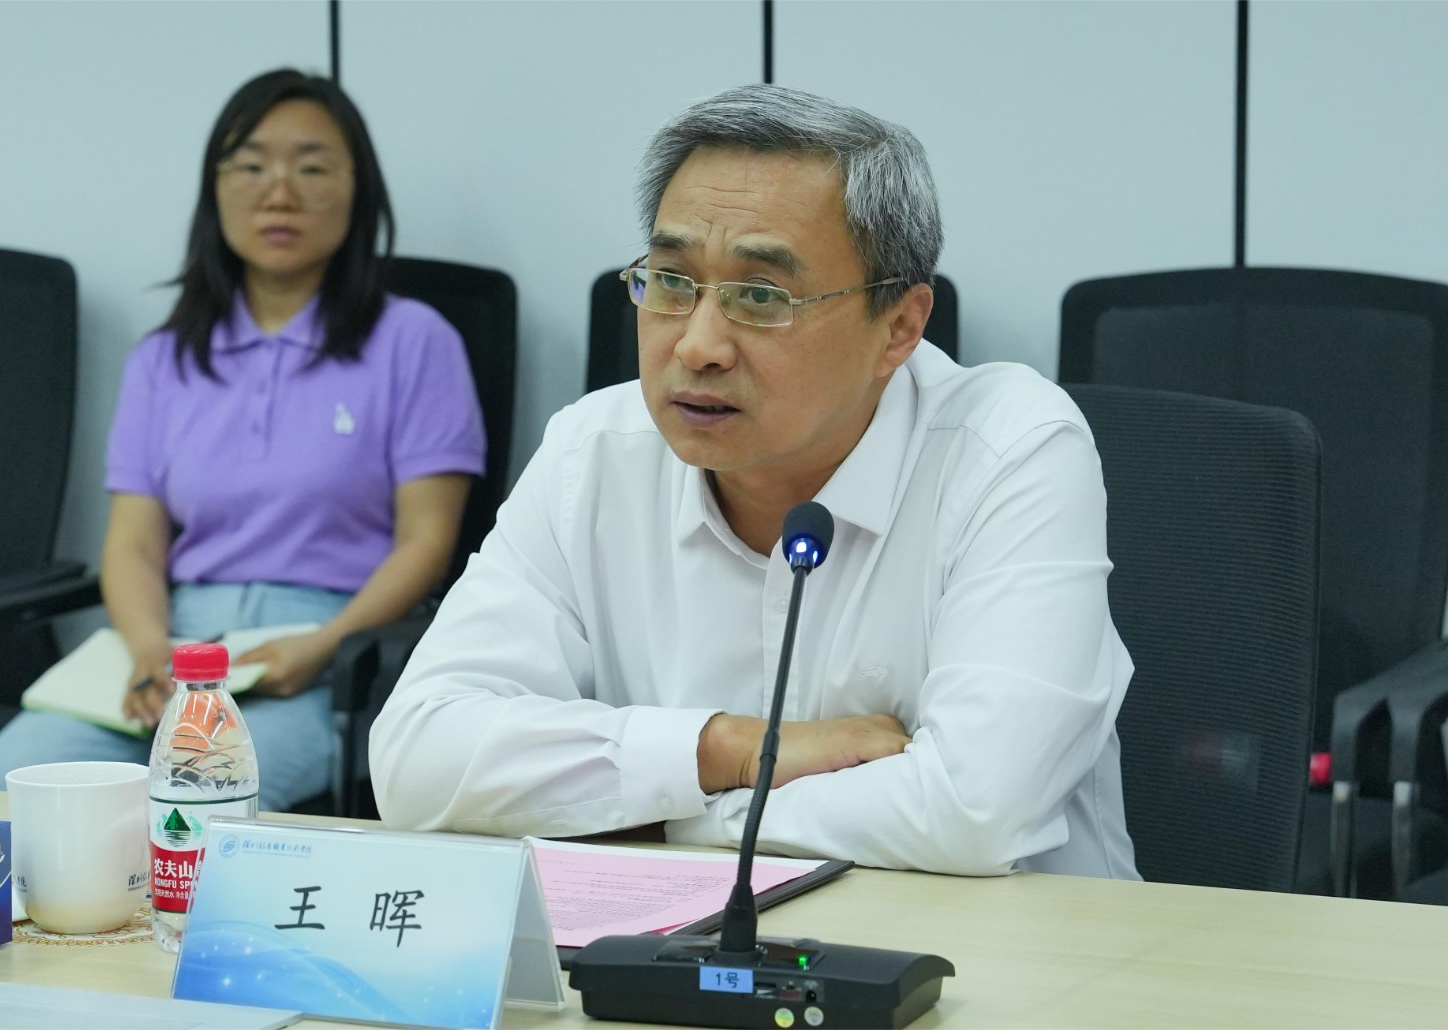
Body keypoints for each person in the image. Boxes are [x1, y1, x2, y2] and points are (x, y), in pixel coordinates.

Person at [370, 84, 1136, 878]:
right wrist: (726, 750)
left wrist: (657, 815)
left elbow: (974, 814)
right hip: (686, 943)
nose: (698, 346)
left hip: (997, 947)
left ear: (900, 327)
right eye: (671, 281)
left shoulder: (1008, 450)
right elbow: (415, 758)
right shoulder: (591, 453)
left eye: (761, 296)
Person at [0, 69, 485, 812]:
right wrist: (149, 650)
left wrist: (324, 647)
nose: (279, 193)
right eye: (250, 166)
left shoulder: (415, 341)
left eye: (312, 167)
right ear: (215, 189)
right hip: (177, 649)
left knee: (206, 792)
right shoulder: (163, 357)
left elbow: (427, 544)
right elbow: (134, 544)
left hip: (329, 652)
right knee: (13, 773)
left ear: (359, 191)